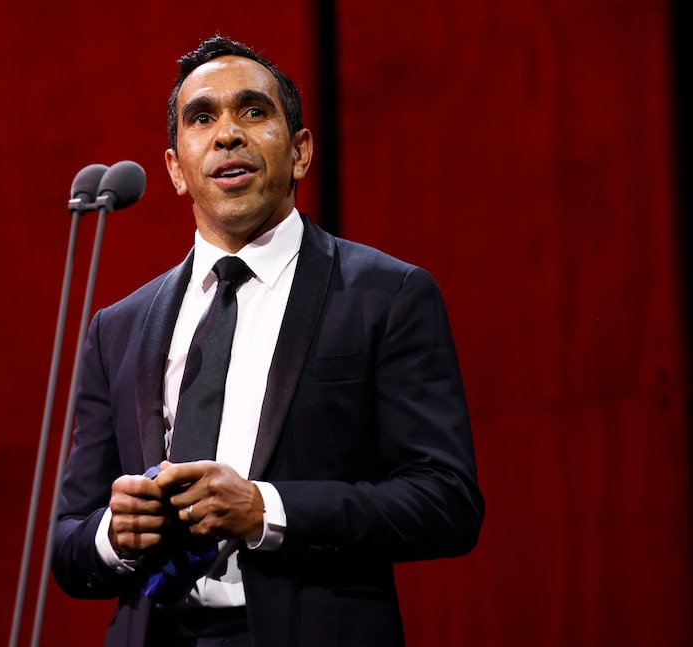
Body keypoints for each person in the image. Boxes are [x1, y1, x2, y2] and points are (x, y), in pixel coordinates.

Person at [51, 35, 484, 647]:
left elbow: (447, 503)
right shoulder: (117, 328)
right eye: (202, 118)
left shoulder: (386, 295)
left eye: (253, 111)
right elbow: (68, 542)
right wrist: (115, 535)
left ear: (301, 152)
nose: (227, 134)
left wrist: (266, 510)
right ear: (177, 167)